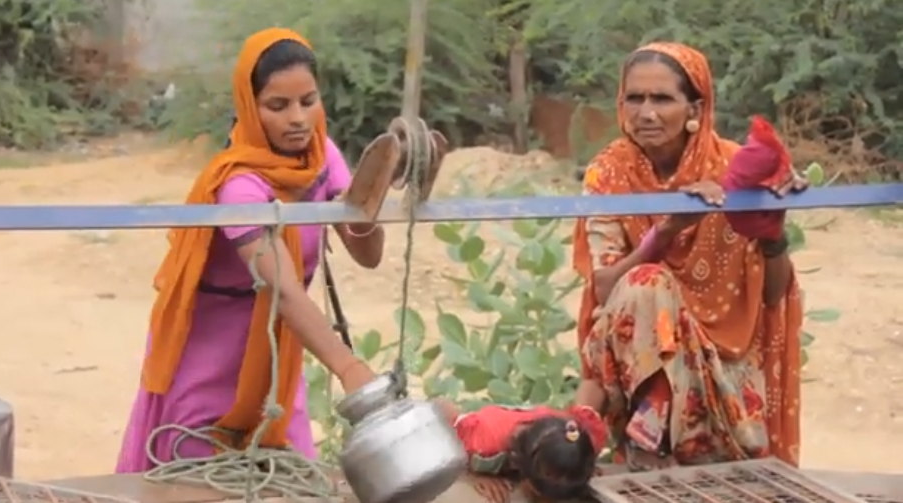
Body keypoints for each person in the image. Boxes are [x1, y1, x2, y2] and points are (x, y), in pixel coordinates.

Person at [115, 28, 382, 471]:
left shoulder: (321, 156)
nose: (298, 118)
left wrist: (369, 197)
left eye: (308, 101)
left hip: (277, 355)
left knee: (289, 476)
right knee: (197, 478)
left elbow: (367, 253)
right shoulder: (239, 185)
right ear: (250, 106)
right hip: (210, 359)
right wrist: (350, 369)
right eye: (278, 106)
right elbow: (285, 292)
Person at [572, 42, 806, 472]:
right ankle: (650, 423)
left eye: (662, 98)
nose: (646, 113)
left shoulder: (735, 170)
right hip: (635, 361)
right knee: (647, 283)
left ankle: (677, 425)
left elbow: (773, 296)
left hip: (723, 359)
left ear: (695, 106)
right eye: (634, 98)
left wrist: (771, 232)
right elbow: (604, 287)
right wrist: (668, 229)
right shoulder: (608, 173)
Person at [438, 400, 607, 503]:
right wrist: (472, 475)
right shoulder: (480, 442)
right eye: (544, 497)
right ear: (521, 467)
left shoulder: (578, 437)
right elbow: (442, 409)